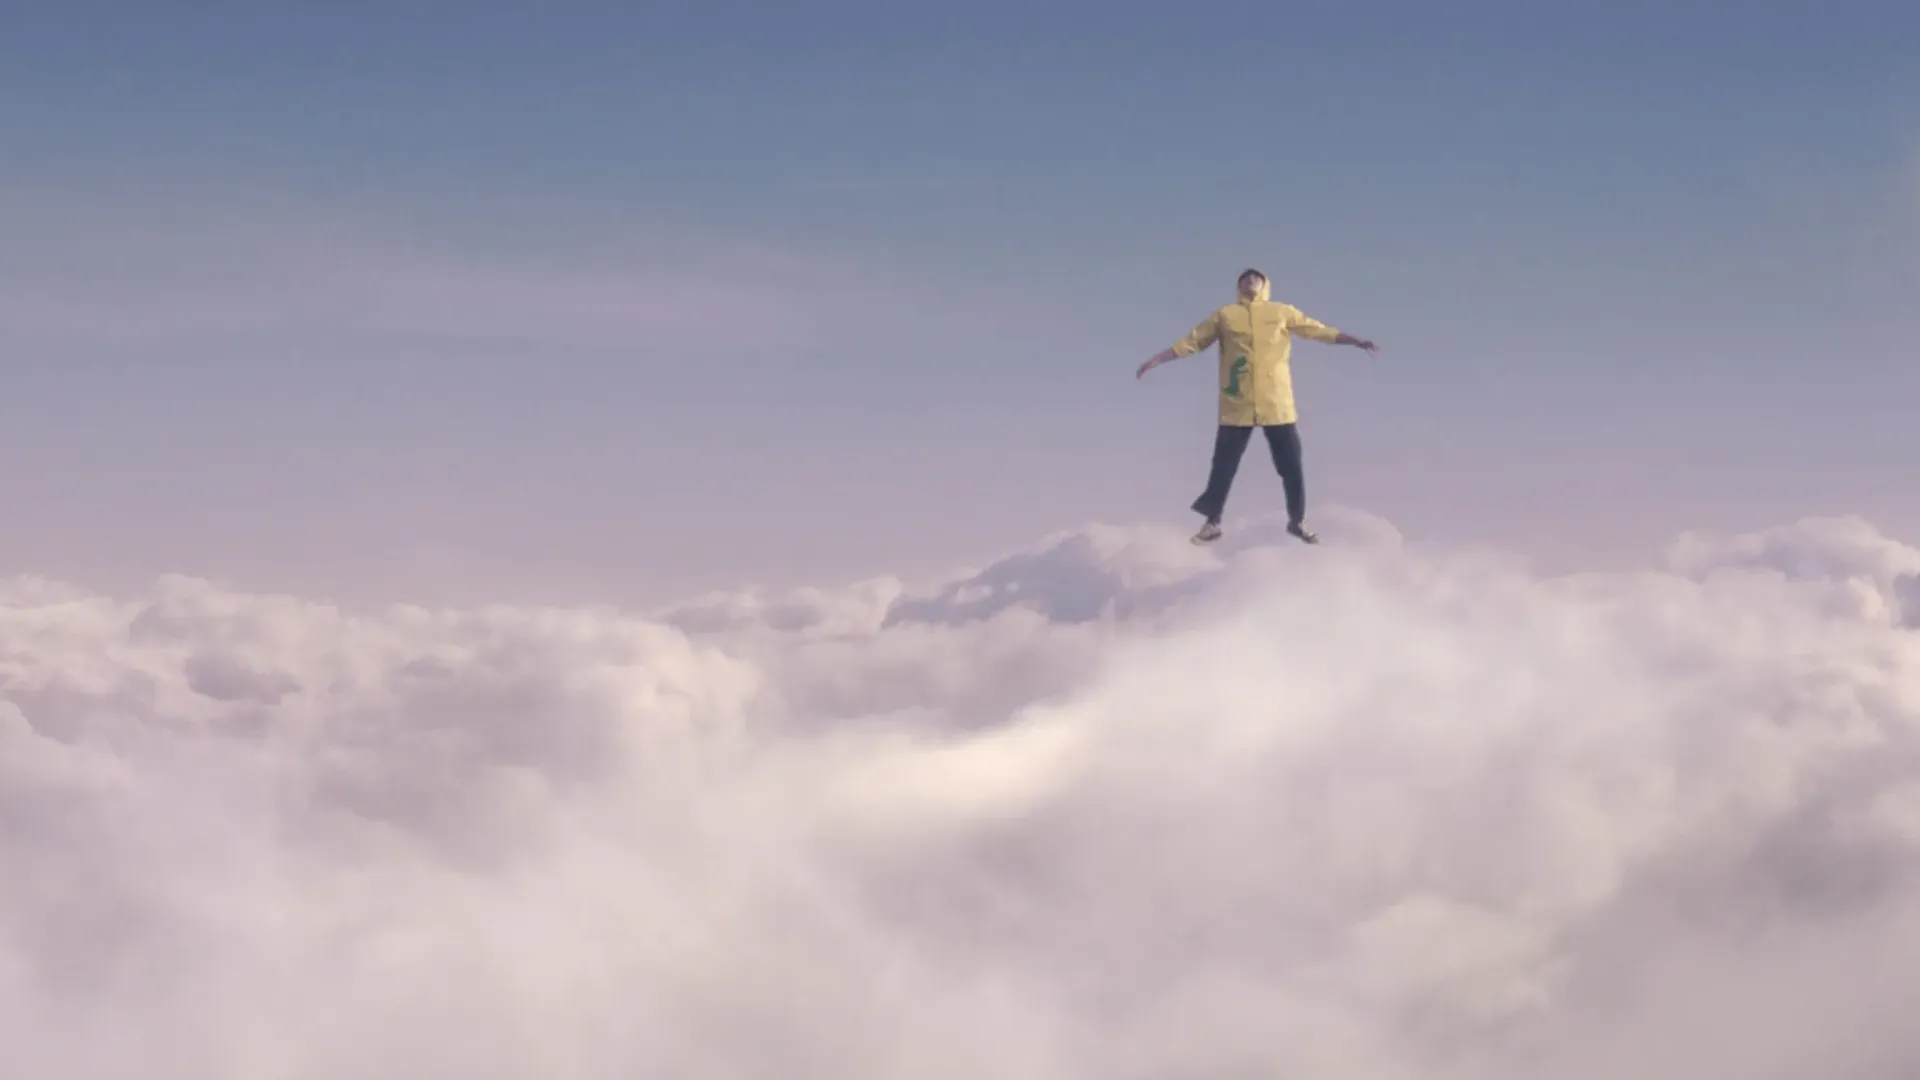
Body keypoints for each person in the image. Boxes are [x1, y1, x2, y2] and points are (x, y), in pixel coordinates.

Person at [1136, 268, 1378, 545]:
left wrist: (1356, 341)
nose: (1250, 280)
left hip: (1277, 403)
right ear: (1238, 286)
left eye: (1256, 278)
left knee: (1291, 465)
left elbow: (1317, 330)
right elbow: (1193, 341)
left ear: (1265, 285)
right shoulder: (1226, 315)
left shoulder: (1281, 311)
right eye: (1245, 278)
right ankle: (1212, 523)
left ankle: (1297, 520)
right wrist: (1156, 360)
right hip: (1237, 402)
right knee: (1223, 466)